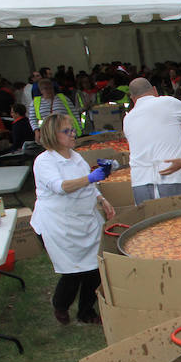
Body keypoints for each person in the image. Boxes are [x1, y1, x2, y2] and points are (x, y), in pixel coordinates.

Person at [30, 114, 115, 325]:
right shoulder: (44, 161)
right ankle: (60, 304)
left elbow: (89, 185)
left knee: (94, 269)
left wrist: (101, 198)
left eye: (72, 129)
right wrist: (90, 178)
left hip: (84, 219)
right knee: (72, 272)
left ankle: (86, 311)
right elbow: (60, 187)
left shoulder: (75, 156)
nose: (73, 134)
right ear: (52, 135)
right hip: (59, 224)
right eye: (66, 131)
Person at [123, 77, 181, 204]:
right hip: (171, 178)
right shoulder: (168, 102)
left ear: (132, 98)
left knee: (150, 223)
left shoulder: (128, 119)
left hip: (140, 183)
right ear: (154, 90)